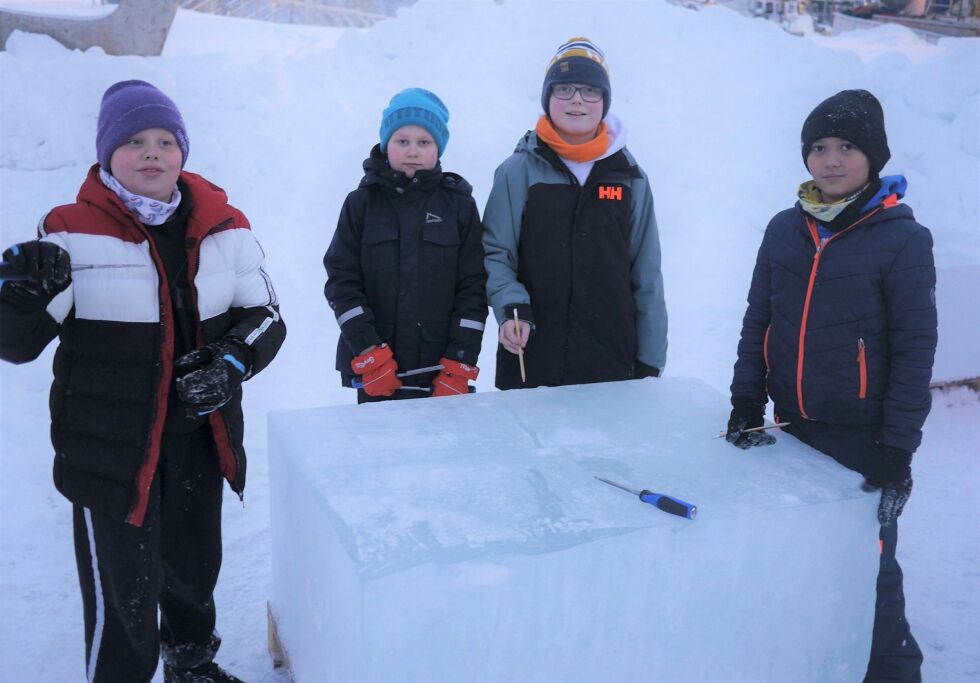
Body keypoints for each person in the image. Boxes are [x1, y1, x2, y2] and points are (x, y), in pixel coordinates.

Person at [0, 80, 286, 683]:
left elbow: (265, 317)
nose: (151, 152)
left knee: (193, 570)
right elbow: (17, 343)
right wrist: (18, 300)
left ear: (183, 151)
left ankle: (191, 666)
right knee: (122, 594)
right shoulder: (72, 232)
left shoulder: (223, 224)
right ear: (107, 154)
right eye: (133, 141)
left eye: (164, 140)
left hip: (196, 441)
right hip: (110, 452)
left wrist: (230, 362)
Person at [726, 89, 936, 682]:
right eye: (818, 147)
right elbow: (758, 320)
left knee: (868, 566)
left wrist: (897, 449)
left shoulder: (901, 239)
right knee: (799, 557)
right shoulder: (784, 229)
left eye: (847, 146)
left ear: (873, 155)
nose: (831, 160)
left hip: (861, 435)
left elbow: (916, 352)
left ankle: (892, 672)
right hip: (792, 427)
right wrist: (747, 398)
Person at [482, 37, 667, 390]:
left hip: (611, 361)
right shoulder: (518, 171)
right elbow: (496, 253)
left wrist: (651, 359)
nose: (577, 100)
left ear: (605, 101)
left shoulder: (629, 176)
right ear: (548, 98)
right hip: (531, 357)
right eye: (564, 89)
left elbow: (647, 273)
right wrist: (511, 309)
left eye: (590, 90)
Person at [323, 88, 487, 403]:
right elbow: (342, 281)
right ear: (386, 145)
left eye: (423, 142)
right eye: (402, 141)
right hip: (378, 374)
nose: (412, 150)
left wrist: (460, 362)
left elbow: (473, 288)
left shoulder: (459, 206)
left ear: (439, 148)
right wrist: (369, 351)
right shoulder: (361, 204)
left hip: (441, 372)